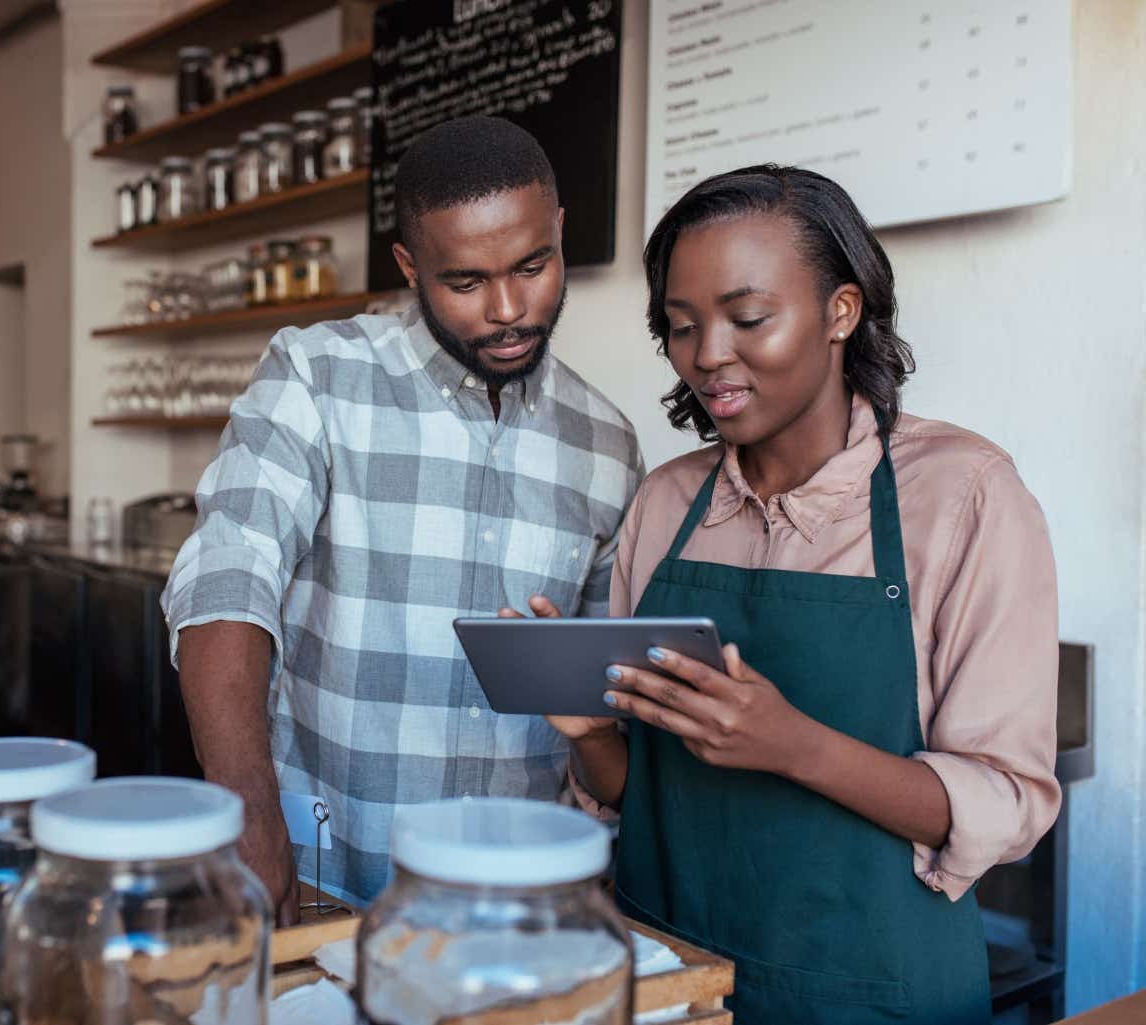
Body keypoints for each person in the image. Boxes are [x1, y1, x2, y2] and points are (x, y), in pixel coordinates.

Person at [531, 165, 1059, 1024]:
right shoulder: (667, 502)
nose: (708, 354)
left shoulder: (964, 494)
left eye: (748, 318)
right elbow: (646, 798)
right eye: (680, 325)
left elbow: (1006, 802)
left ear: (841, 312)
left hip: (873, 991)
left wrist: (796, 745)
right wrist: (592, 737)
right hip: (673, 978)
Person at [162, 115, 643, 916]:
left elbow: (596, 709)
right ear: (410, 265)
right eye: (465, 282)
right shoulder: (317, 374)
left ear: (560, 230)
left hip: (511, 903)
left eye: (534, 264)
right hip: (324, 882)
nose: (508, 308)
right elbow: (227, 571)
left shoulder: (607, 444)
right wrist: (246, 811)